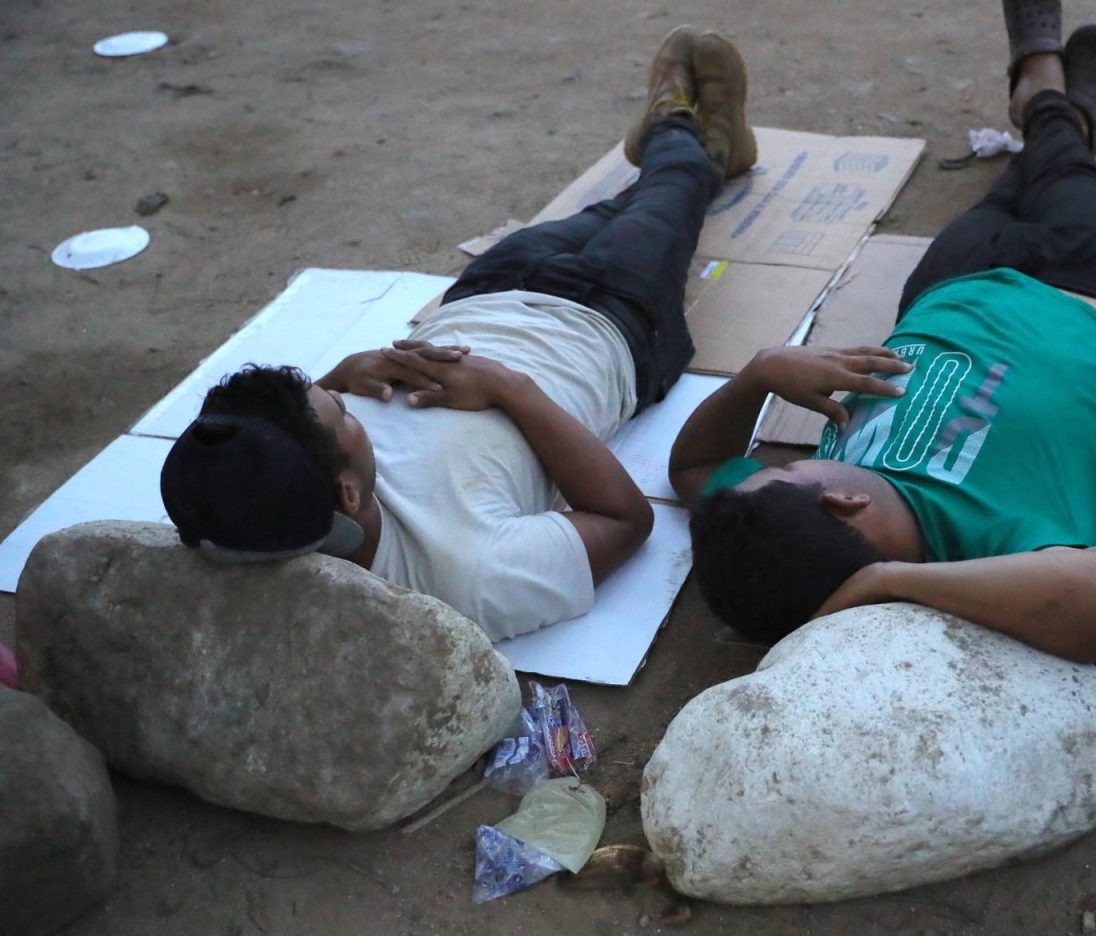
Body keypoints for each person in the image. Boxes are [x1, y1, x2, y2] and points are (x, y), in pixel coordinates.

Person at [158, 28, 756, 642]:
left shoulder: (251, 492)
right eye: (342, 409)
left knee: (622, 207)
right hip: (607, 322)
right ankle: (686, 133)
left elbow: (298, 433)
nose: (340, 393)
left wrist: (349, 371)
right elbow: (625, 520)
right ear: (347, 493)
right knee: (673, 189)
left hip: (489, 288)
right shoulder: (469, 578)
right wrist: (508, 387)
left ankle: (679, 149)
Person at [670, 2, 1096, 664]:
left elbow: (693, 467)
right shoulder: (993, 546)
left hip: (950, 284)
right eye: (784, 471)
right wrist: (886, 580)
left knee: (1020, 184)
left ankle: (1052, 113)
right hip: (1087, 285)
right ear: (843, 501)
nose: (773, 463)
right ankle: (1049, 99)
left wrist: (760, 371)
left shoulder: (794, 522)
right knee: (1067, 173)